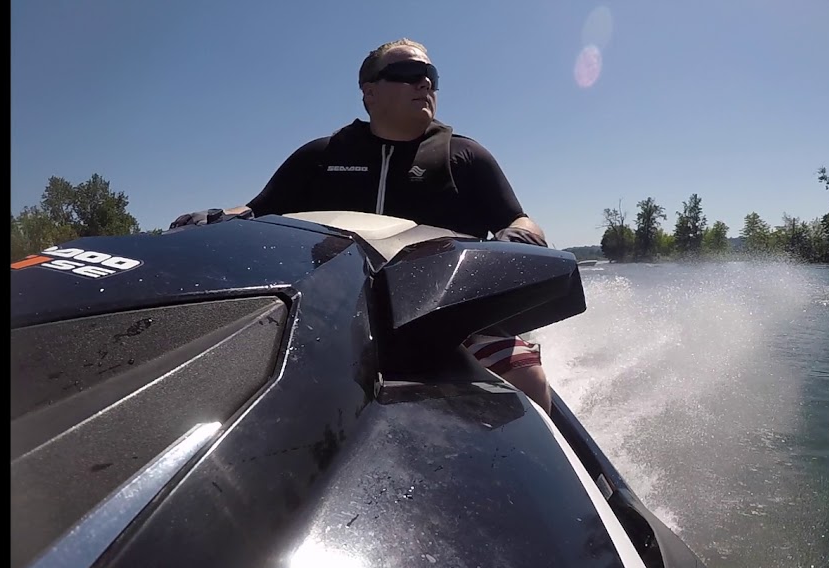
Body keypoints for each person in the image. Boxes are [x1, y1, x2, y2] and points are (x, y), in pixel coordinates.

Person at [175, 38, 554, 413]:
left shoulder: (466, 157)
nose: (425, 83)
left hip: (450, 317)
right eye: (409, 72)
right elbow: (257, 210)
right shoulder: (319, 157)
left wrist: (520, 235)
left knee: (526, 377)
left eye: (431, 76)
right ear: (369, 91)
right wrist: (214, 219)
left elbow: (517, 219)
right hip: (327, 312)